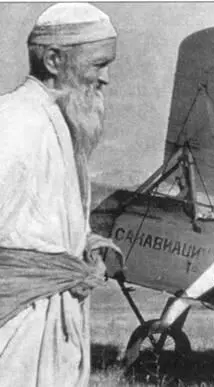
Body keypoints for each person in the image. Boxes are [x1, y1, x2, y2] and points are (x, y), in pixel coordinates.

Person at [0, 3, 122, 386]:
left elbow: (34, 225)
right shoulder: (16, 123)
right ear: (54, 59)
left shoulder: (56, 123)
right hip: (16, 327)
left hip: (49, 321)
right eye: (99, 64)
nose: (106, 79)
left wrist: (84, 244)